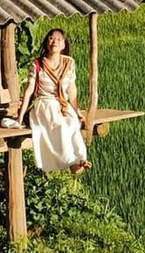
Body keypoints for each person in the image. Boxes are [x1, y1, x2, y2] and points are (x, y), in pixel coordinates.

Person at [18, 29, 91, 174]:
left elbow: (71, 89)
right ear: (47, 42)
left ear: (64, 45)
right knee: (61, 126)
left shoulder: (69, 63)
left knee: (73, 124)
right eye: (51, 38)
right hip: (45, 104)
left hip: (62, 104)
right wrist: (20, 117)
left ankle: (81, 158)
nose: (54, 42)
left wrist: (77, 112)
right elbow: (29, 90)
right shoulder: (37, 64)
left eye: (59, 39)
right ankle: (71, 163)